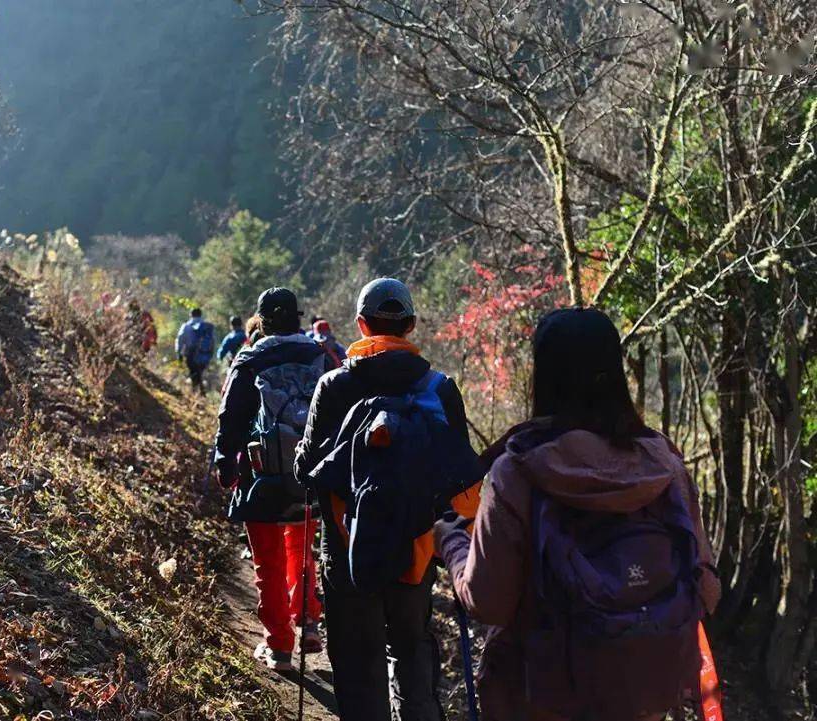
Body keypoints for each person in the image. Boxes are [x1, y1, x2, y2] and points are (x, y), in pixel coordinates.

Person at [435, 307, 722, 721]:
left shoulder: (518, 470)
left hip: (541, 698)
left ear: (543, 377)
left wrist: (453, 541)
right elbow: (706, 589)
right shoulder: (663, 465)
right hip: (641, 696)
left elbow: (489, 602)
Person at [293, 278, 482, 721]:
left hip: (346, 546)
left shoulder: (334, 385)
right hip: (416, 546)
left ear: (361, 325)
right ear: (411, 326)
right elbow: (461, 473)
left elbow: (307, 471)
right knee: (412, 646)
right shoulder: (440, 388)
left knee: (358, 662)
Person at [214, 288, 337, 671]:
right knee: (302, 554)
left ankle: (280, 647)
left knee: (267, 563)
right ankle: (310, 621)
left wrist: (224, 463)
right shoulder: (321, 356)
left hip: (261, 476)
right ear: (298, 318)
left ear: (261, 321)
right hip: (311, 477)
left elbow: (230, 418)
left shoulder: (250, 360)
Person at [175, 308, 215, 394]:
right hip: (205, 354)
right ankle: (200, 391)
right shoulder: (207, 326)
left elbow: (180, 340)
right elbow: (212, 341)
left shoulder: (186, 326)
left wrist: (179, 354)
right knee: (199, 373)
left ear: (191, 315)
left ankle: (196, 392)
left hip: (191, 354)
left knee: (194, 373)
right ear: (201, 315)